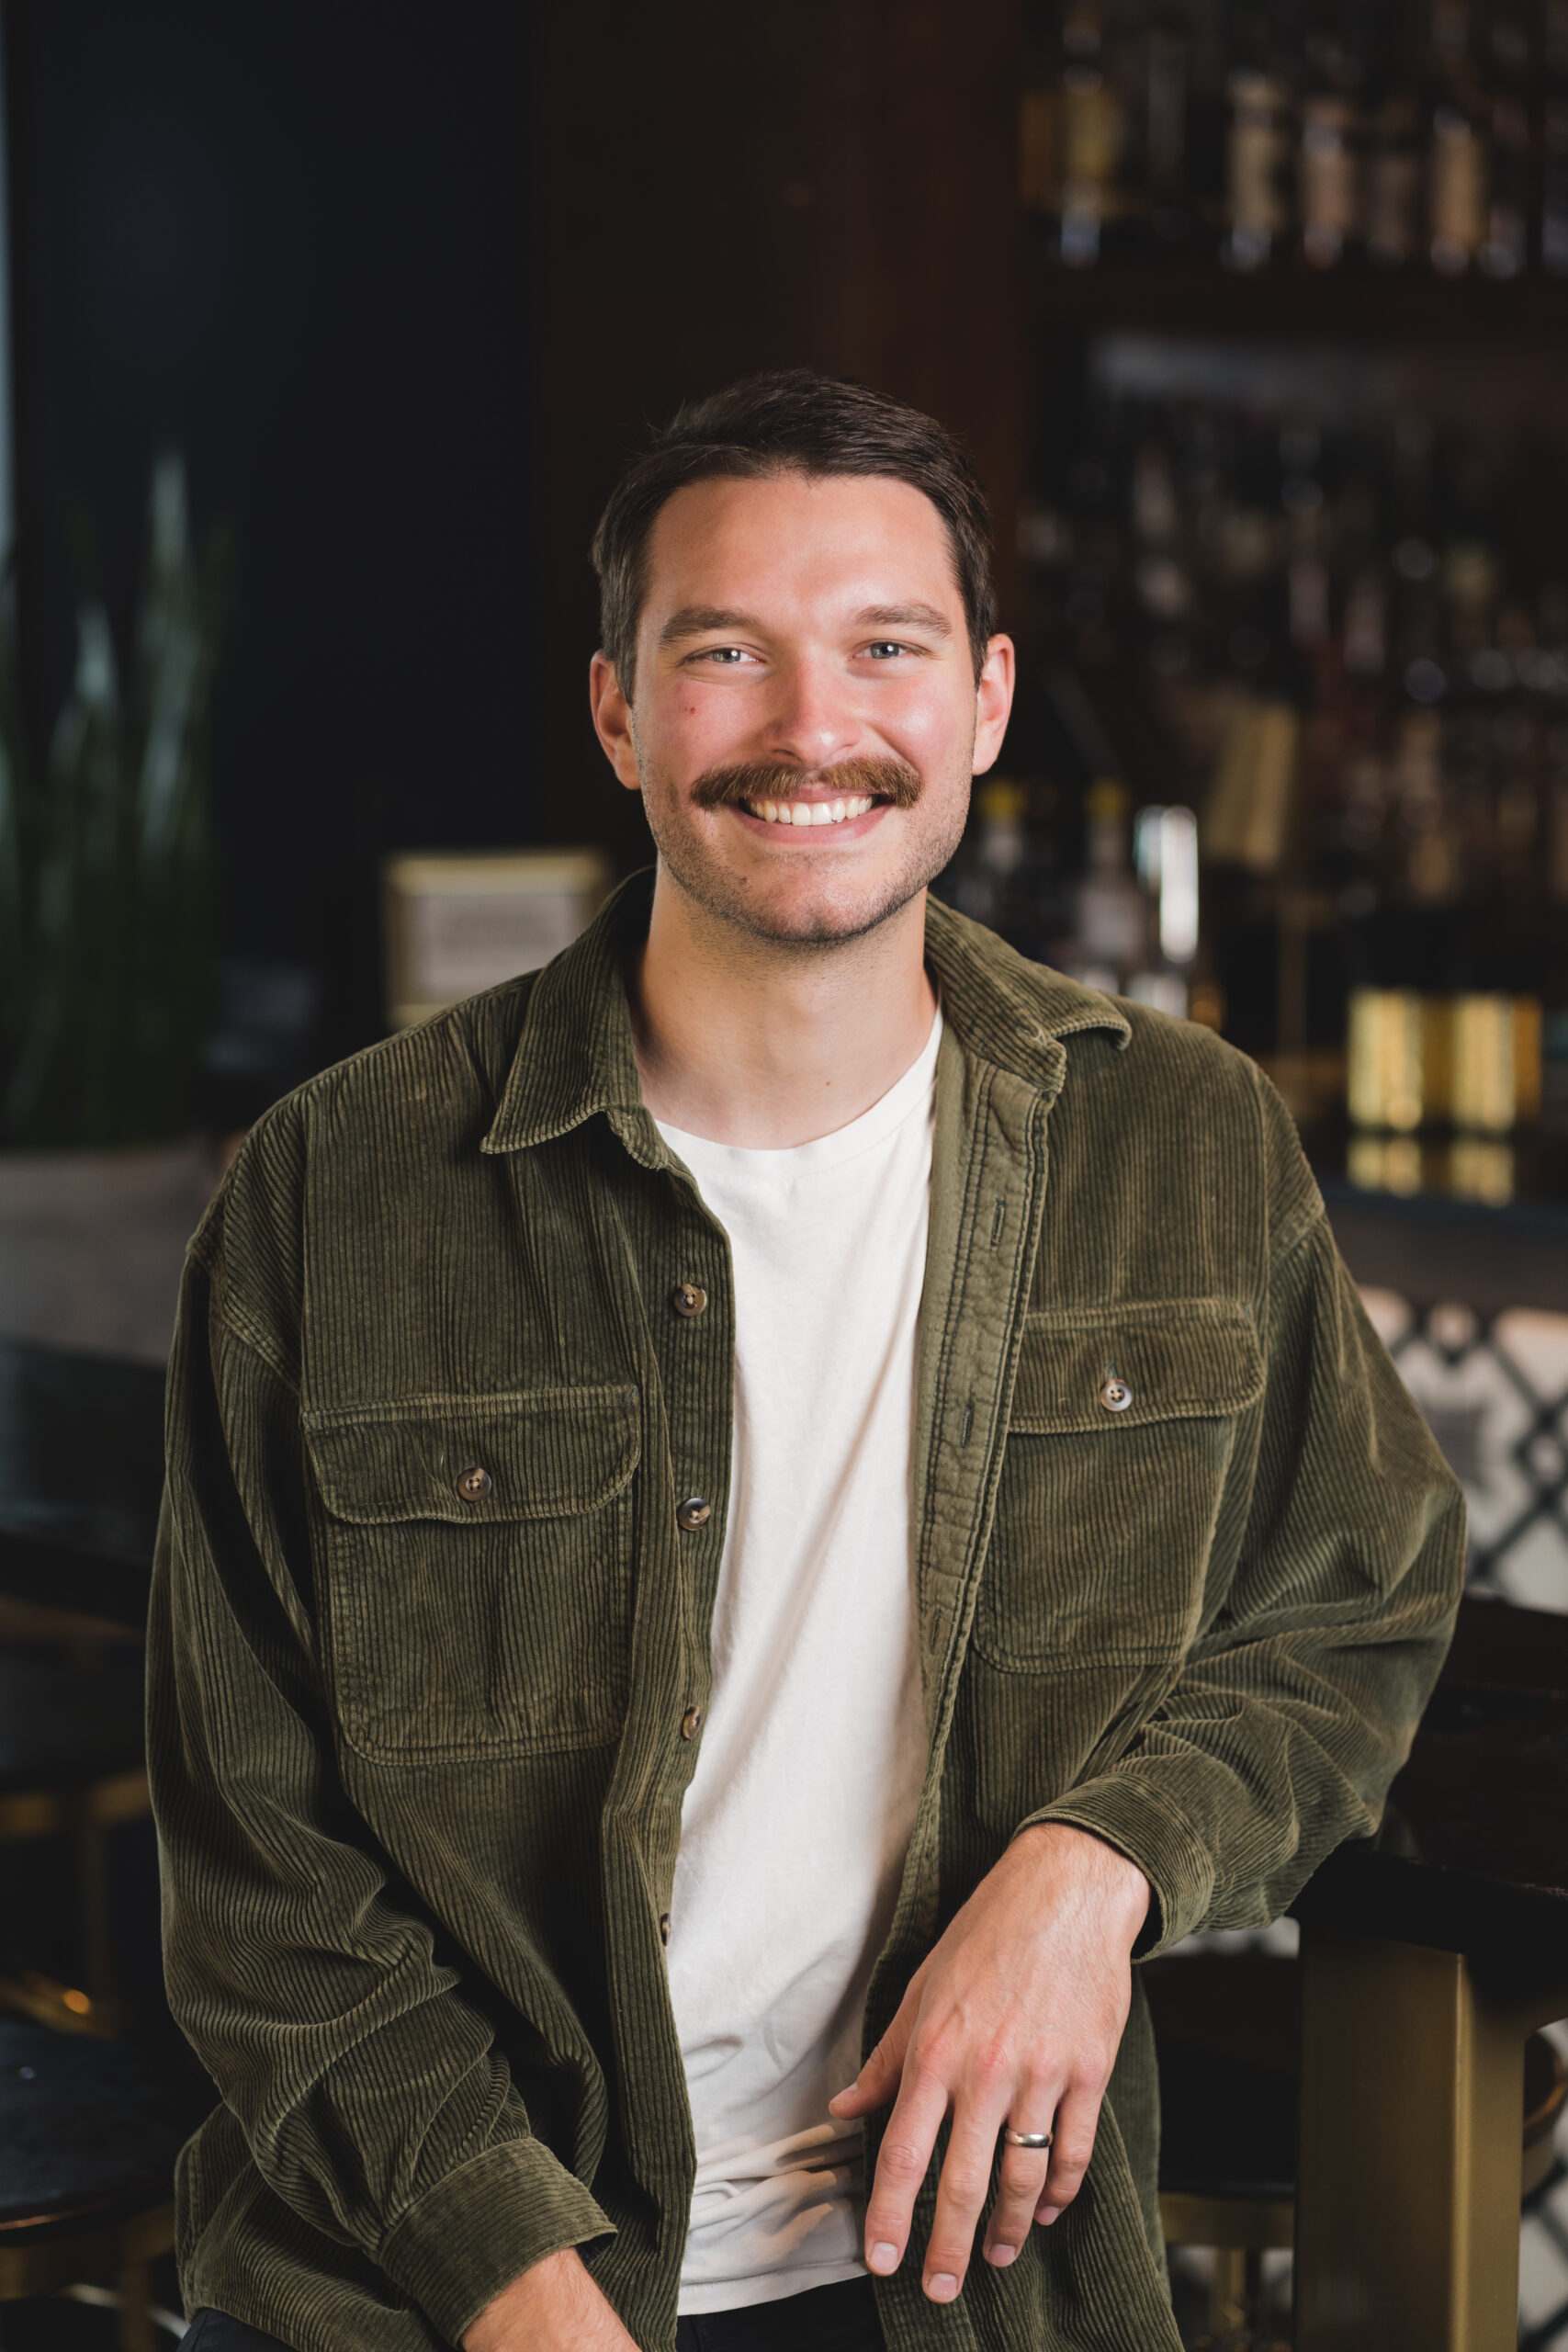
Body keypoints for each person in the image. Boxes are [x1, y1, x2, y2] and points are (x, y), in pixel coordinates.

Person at [148, 369, 1464, 2352]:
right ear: (614, 711)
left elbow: (1351, 1598)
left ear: (984, 704)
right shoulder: (340, 1191)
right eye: (722, 656)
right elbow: (260, 1876)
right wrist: (518, 2289)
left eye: (882, 649)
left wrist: (1095, 1861)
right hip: (448, 2283)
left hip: (959, 2282)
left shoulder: (1177, 1143)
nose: (808, 730)